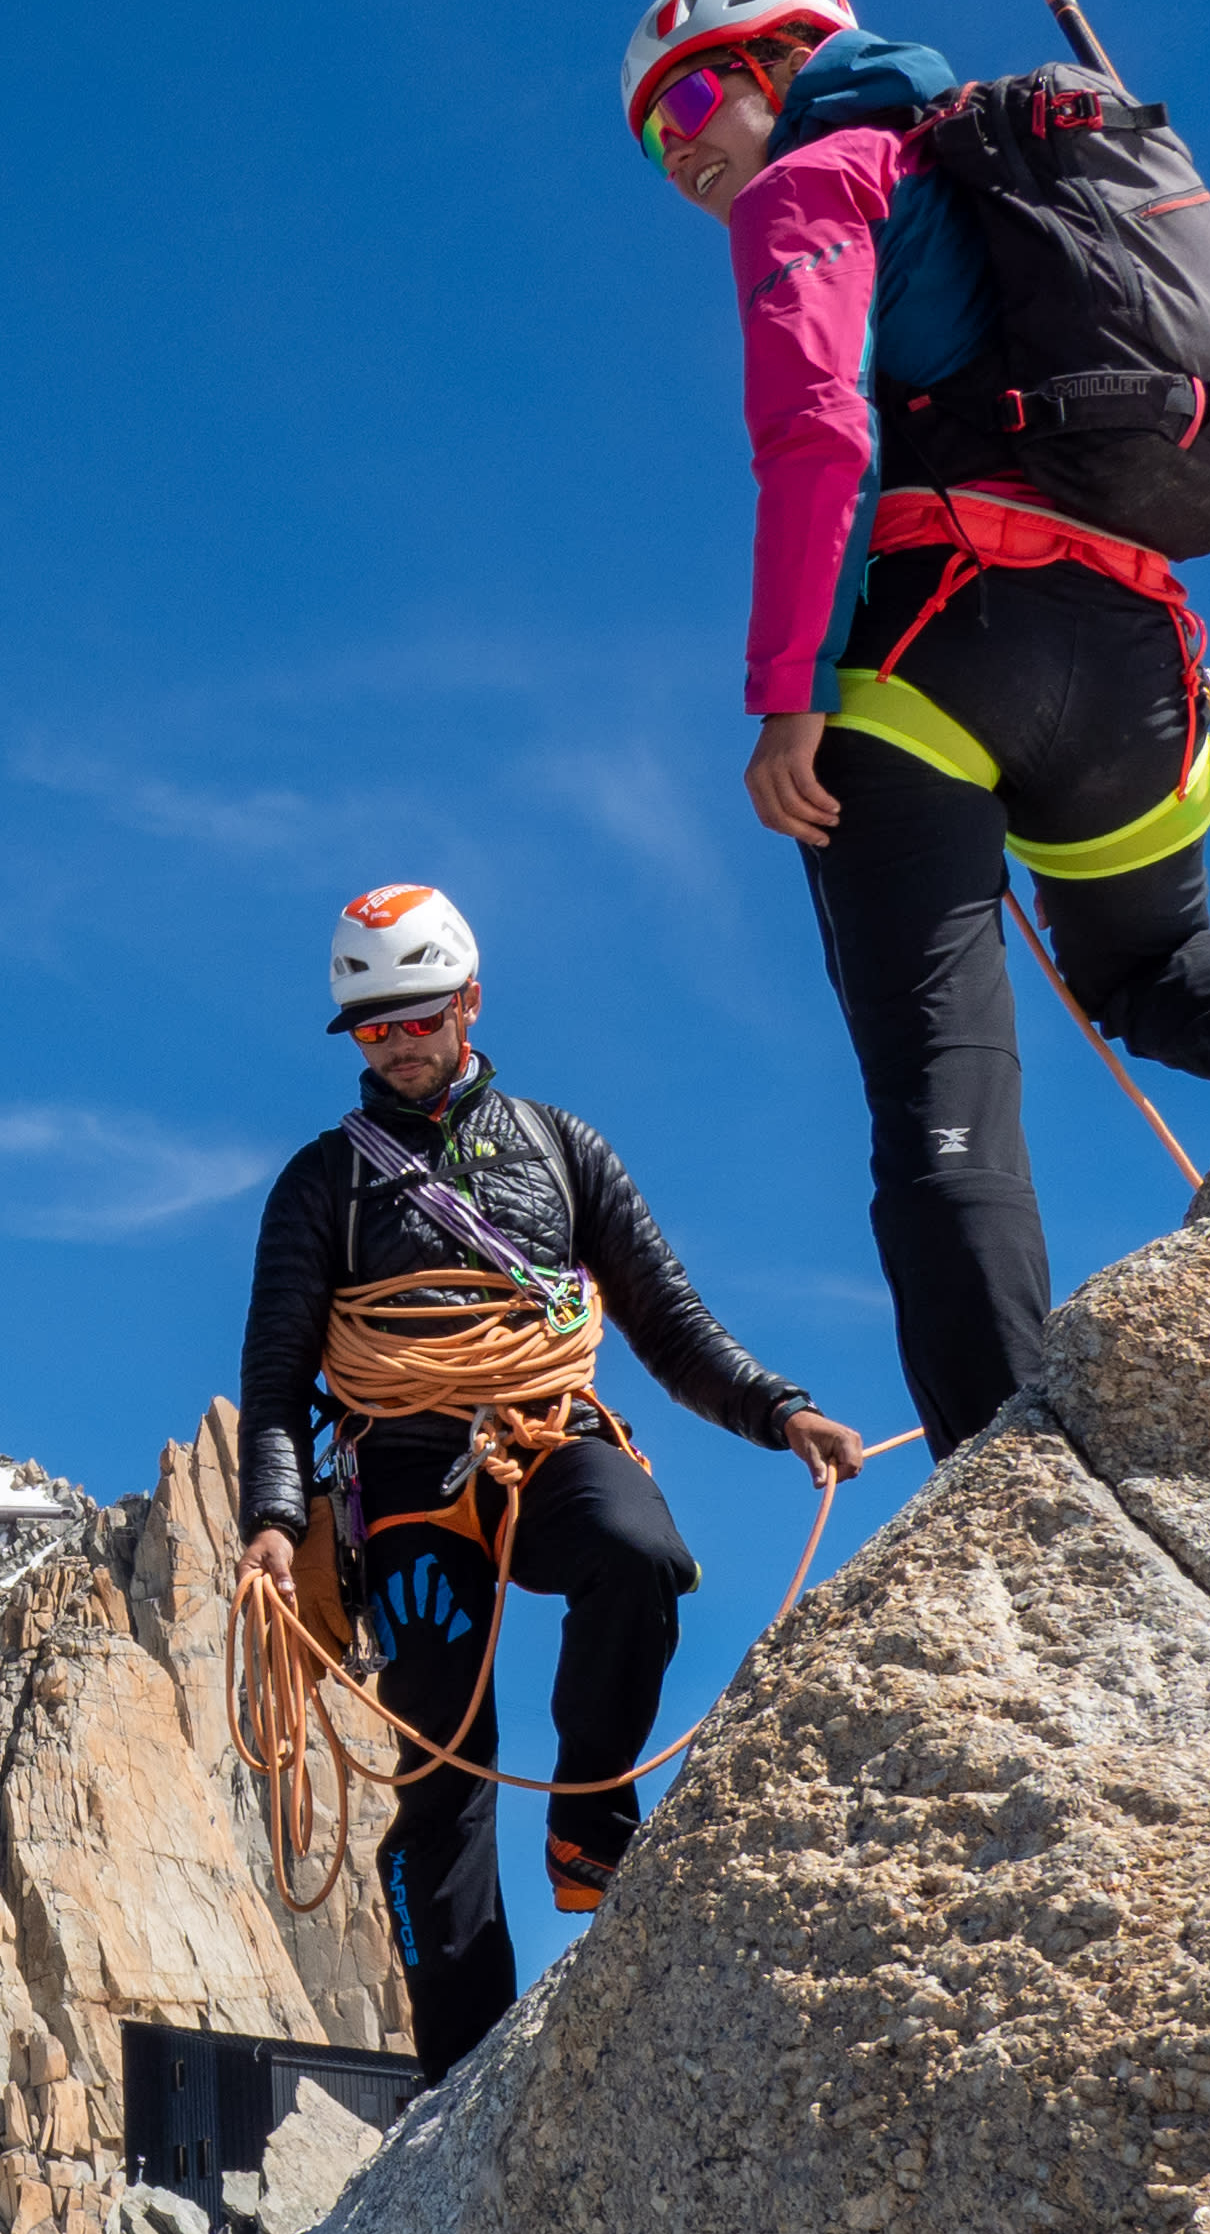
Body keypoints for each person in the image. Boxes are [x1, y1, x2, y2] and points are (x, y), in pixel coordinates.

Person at [628, 0, 1210, 1454]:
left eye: (687, 94)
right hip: (1138, 658)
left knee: (941, 1086)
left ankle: (1007, 1472)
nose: (675, 149)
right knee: (1153, 963)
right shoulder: (1032, 174)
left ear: (784, 61)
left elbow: (816, 432)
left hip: (935, 650)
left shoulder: (820, 181)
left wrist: (789, 696)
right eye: (648, 135)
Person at [239, 881, 863, 2072]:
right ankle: (461, 2072)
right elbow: (274, 1381)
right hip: (405, 1472)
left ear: (469, 1002)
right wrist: (274, 1523)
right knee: (444, 1767)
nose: (402, 1045)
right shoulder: (319, 1186)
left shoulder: (564, 1149)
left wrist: (780, 1409)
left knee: (639, 1556)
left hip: (544, 1431)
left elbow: (669, 1322)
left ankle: (589, 1825)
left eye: (421, 1018)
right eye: (377, 1028)